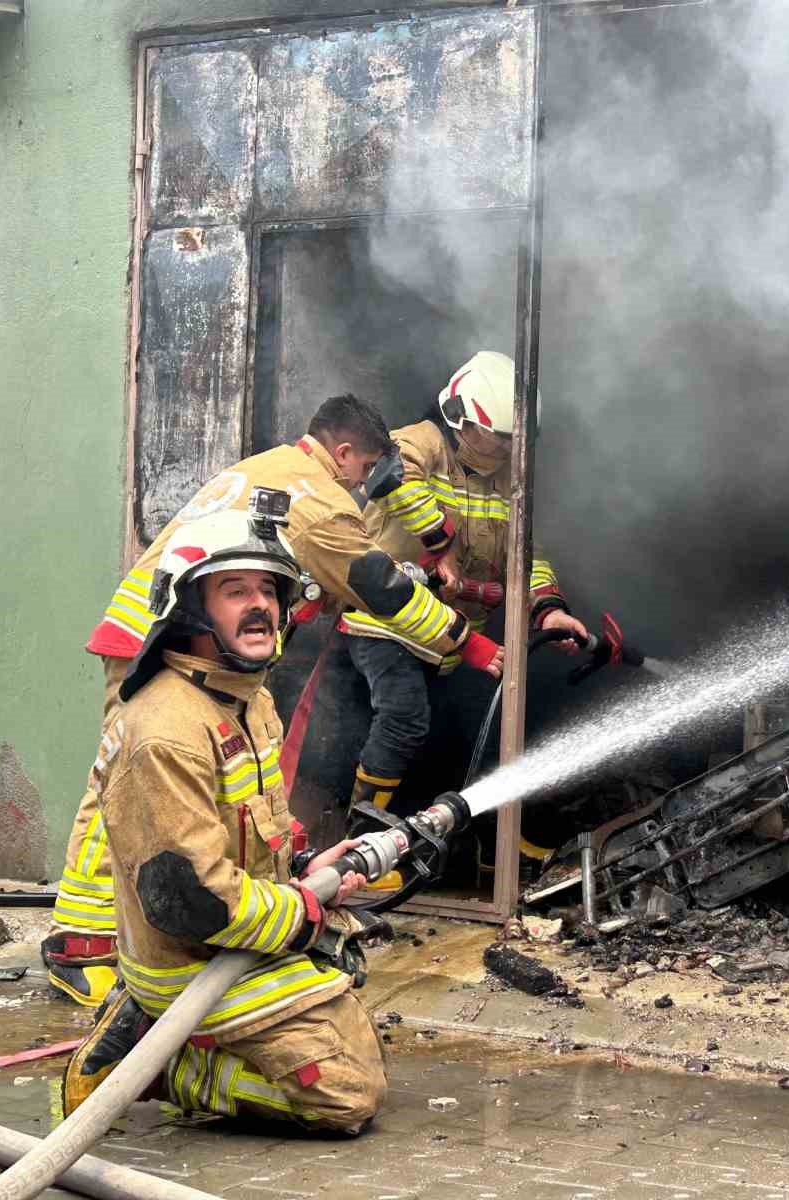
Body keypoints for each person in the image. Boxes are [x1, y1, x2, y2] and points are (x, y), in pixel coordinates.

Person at [44, 395, 502, 1007]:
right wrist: (468, 645)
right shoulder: (319, 498)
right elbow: (381, 589)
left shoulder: (273, 468)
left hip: (171, 635)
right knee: (123, 785)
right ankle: (81, 944)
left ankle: (178, 923)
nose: (365, 486)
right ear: (342, 453)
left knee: (195, 780)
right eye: (365, 470)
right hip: (165, 643)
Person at [62, 505, 387, 1132]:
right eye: (235, 591)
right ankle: (158, 1064)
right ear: (188, 609)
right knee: (345, 1097)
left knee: (360, 1038)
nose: (260, 605)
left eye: (269, 588)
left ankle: (167, 1032)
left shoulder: (248, 698)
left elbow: (256, 825)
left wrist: (300, 866)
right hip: (187, 959)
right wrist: (302, 914)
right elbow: (192, 903)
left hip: (237, 939)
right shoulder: (166, 731)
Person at [337, 351, 587, 823]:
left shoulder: (512, 480)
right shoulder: (423, 441)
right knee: (404, 718)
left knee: (483, 731)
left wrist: (548, 610)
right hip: (386, 624)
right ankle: (359, 836)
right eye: (500, 437)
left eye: (519, 439)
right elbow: (388, 475)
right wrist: (440, 541)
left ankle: (475, 848)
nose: (511, 449)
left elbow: (526, 558)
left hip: (455, 638)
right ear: (459, 419)